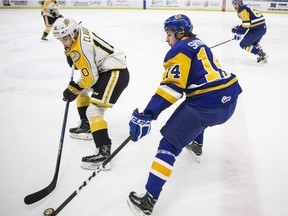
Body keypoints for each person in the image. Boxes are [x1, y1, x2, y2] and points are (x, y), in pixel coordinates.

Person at [127, 14, 242, 216]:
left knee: (169, 145)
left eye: (169, 34)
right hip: (229, 100)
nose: (167, 39)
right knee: (194, 108)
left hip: (208, 104)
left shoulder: (178, 49)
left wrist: (148, 113)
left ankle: (147, 201)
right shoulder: (199, 43)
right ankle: (196, 145)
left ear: (180, 33)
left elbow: (172, 88)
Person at [52, 17, 129, 170]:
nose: (63, 42)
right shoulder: (77, 33)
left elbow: (90, 78)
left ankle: (104, 151)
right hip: (106, 69)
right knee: (82, 93)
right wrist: (70, 54)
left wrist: (73, 88)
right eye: (60, 39)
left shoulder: (79, 48)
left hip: (114, 73)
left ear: (73, 33)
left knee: (94, 110)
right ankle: (87, 125)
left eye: (65, 38)